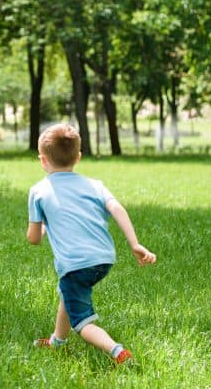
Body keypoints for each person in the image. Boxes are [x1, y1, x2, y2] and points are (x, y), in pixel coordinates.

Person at [27, 123, 156, 364]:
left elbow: (33, 239)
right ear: (78, 157)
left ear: (42, 160)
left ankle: (117, 352)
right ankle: (57, 341)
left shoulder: (38, 191)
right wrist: (135, 244)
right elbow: (117, 208)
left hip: (76, 264)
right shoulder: (95, 185)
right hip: (104, 258)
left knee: (83, 322)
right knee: (67, 292)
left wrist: (43, 227)